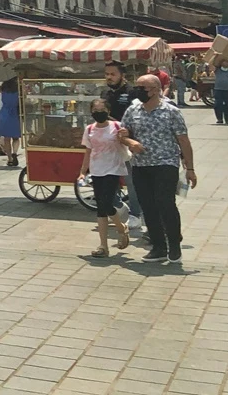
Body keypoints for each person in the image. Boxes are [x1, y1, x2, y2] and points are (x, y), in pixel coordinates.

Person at [119, 74, 196, 264]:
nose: (137, 91)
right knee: (148, 206)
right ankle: (159, 246)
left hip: (165, 163)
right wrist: (130, 142)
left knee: (165, 203)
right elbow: (122, 133)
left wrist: (190, 168)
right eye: (136, 87)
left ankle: (174, 244)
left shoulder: (171, 111)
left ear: (155, 89)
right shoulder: (133, 110)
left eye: (142, 87)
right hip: (140, 165)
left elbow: (183, 140)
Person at [79, 99, 130, 258]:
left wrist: (126, 136)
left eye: (101, 109)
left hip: (113, 169)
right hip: (96, 169)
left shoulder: (116, 126)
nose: (98, 112)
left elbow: (127, 141)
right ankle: (103, 246)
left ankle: (121, 229)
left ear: (108, 111)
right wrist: (82, 172)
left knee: (106, 202)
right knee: (101, 207)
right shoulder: (89, 129)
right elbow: (88, 152)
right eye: (95, 109)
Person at [103, 61, 143, 231]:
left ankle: (136, 215)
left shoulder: (131, 92)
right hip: (108, 144)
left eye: (113, 74)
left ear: (122, 75)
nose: (109, 77)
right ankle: (118, 208)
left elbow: (138, 117)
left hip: (128, 144)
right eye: (107, 74)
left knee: (131, 181)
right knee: (109, 180)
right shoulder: (105, 93)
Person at [0, 77, 22, 167]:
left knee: (6, 138)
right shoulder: (19, 87)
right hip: (16, 113)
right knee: (16, 137)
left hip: (5, 112)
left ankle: (9, 159)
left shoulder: (3, 87)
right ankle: (15, 153)